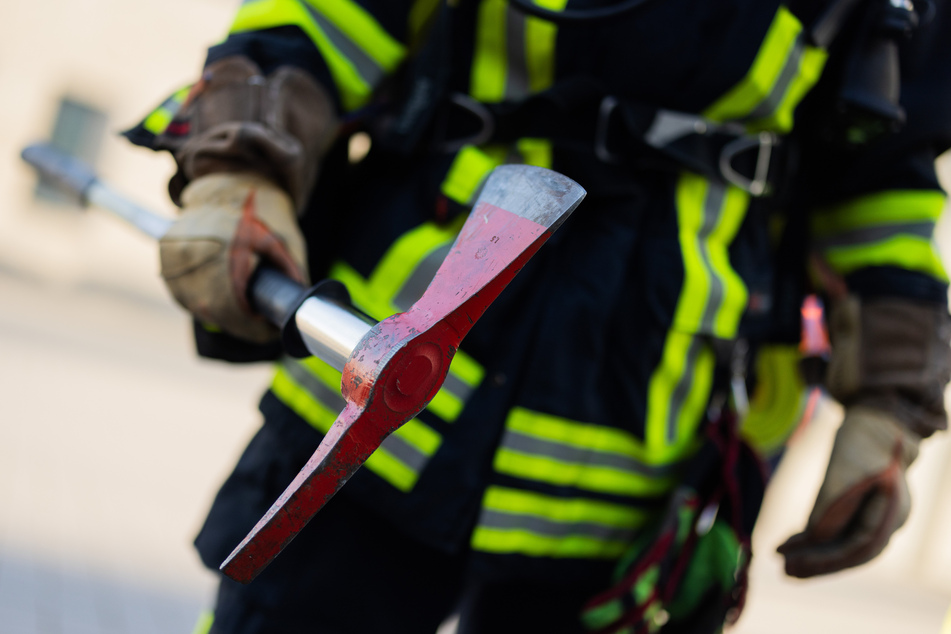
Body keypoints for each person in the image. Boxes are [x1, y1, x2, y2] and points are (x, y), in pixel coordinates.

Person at [125, 0, 951, 632]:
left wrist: (890, 404)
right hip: (374, 414)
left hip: (629, 477)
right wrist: (238, 165)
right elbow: (318, 22)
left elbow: (882, 183)